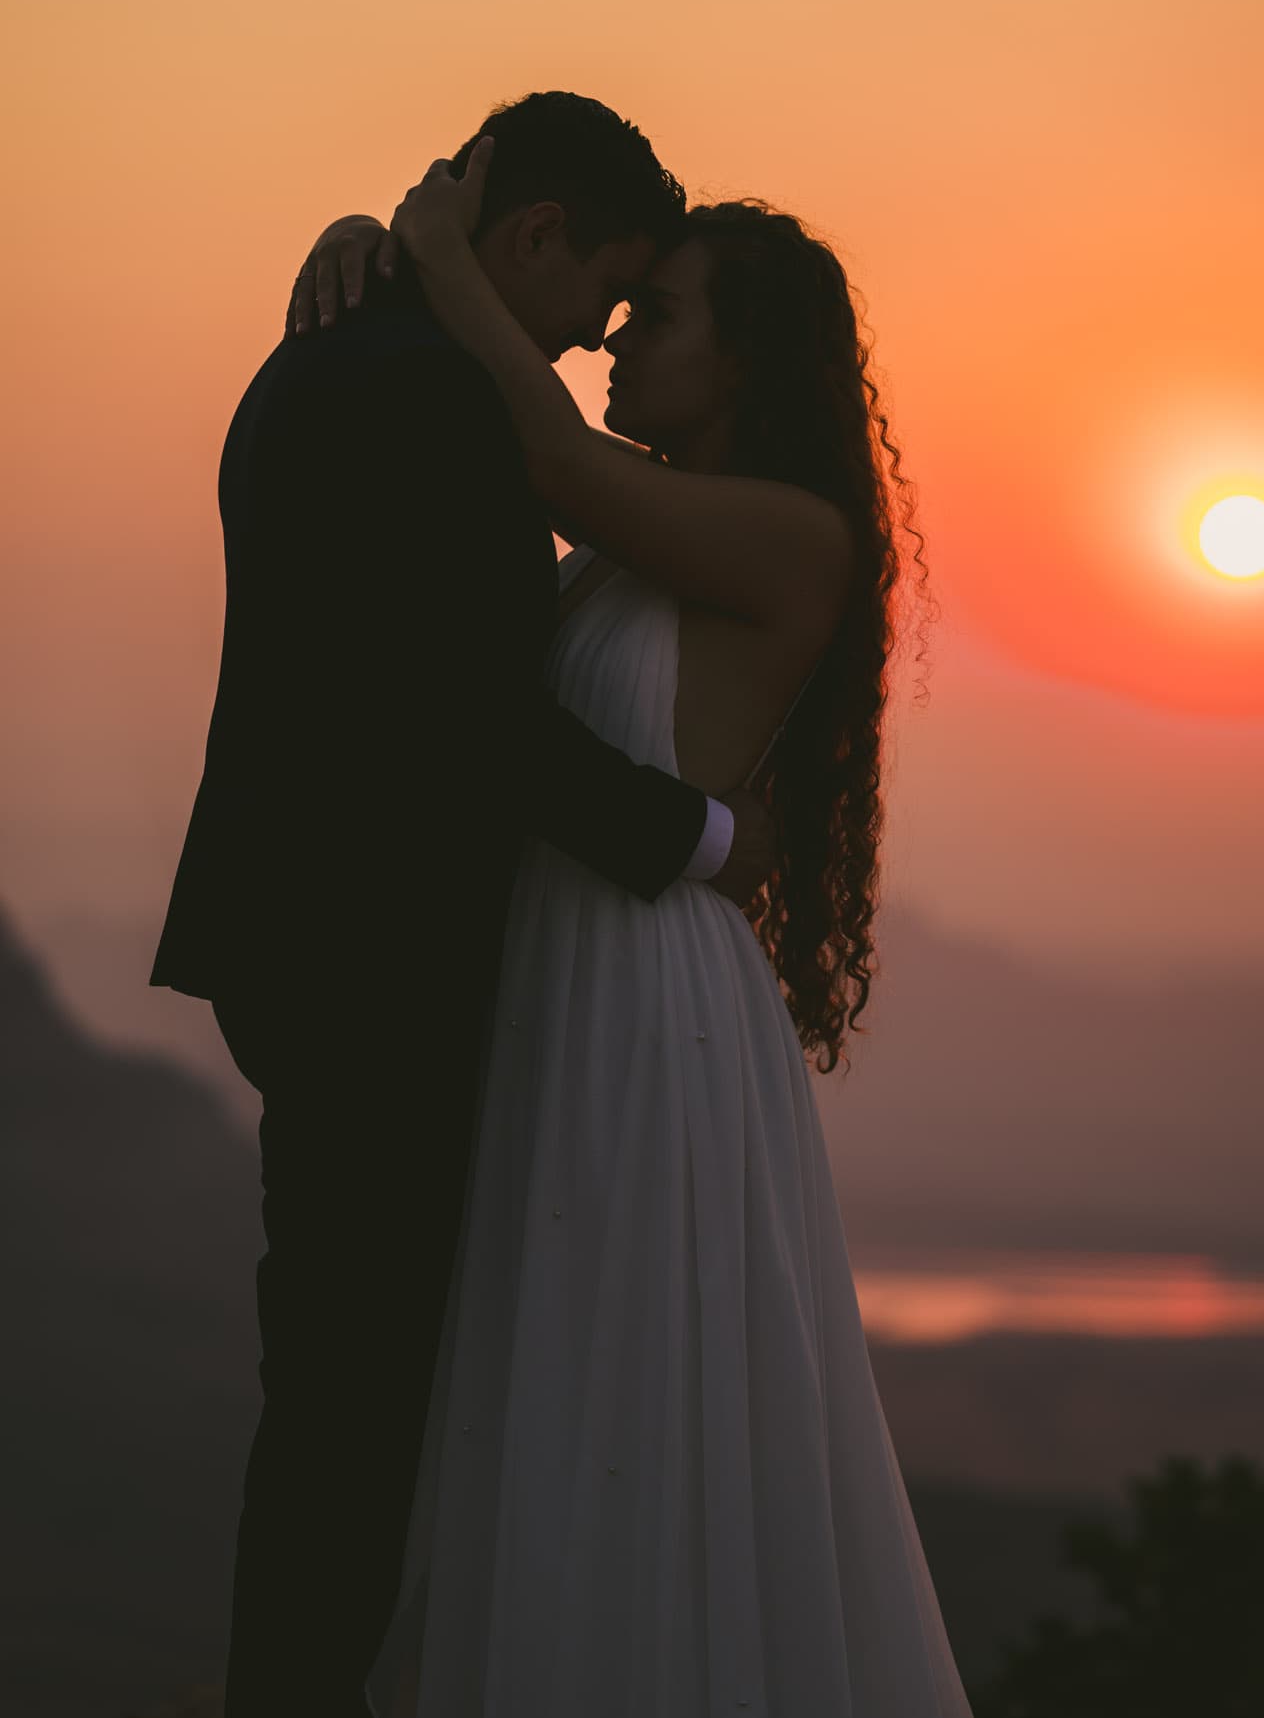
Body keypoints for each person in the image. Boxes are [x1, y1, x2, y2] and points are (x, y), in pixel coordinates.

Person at [293, 141, 970, 1715]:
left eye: (652, 315)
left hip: (641, 1010)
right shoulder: (640, 534)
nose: (610, 338)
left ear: (741, 357)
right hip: (558, 975)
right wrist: (370, 261)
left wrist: (433, 253)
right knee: (535, 1387)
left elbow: (549, 461)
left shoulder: (787, 533)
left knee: (624, 1383)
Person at [149, 91, 775, 1718]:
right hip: (380, 971)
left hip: (320, 947)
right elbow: (469, 716)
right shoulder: (428, 394)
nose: (592, 342)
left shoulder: (331, 352)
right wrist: (701, 837)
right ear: (539, 236)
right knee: (356, 1417)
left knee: (353, 1393)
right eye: (601, 297)